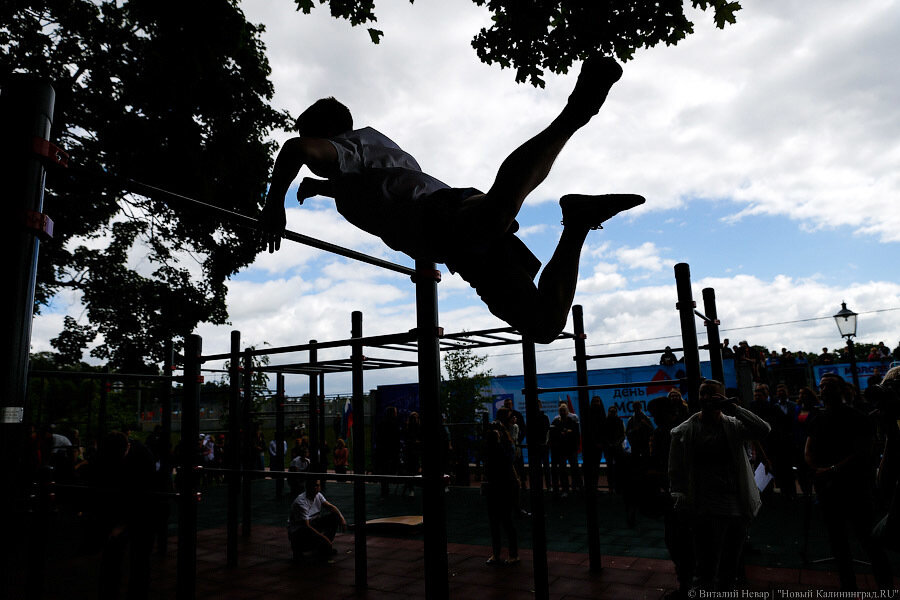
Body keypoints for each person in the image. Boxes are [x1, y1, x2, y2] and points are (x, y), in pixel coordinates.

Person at [260, 55, 644, 344]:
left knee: (494, 214)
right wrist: (321, 188)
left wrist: (273, 205)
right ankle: (576, 222)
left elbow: (295, 149)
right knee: (543, 325)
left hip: (440, 218)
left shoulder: (348, 146)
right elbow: (373, 189)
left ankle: (576, 113)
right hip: (454, 238)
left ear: (326, 133)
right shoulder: (366, 159)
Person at [668, 379, 771, 592]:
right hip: (703, 505)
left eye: (711, 394)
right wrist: (681, 500)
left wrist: (734, 408)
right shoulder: (684, 431)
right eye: (702, 393)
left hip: (735, 504)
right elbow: (675, 469)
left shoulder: (733, 425)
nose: (705, 398)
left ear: (722, 397)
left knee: (731, 562)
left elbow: (763, 429)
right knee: (706, 562)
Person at [805, 373, 893, 591]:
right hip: (828, 489)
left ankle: (885, 587)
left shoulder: (857, 417)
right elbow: (808, 446)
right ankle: (848, 588)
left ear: (841, 389)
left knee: (868, 539)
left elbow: (863, 451)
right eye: (822, 385)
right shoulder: (818, 418)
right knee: (838, 543)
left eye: (829, 385)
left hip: (854, 487)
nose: (823, 389)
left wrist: (832, 469)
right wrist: (816, 468)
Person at [483, 407, 520, 565]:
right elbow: (508, 457)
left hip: (502, 482)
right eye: (511, 417)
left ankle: (509, 554)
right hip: (498, 482)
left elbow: (509, 458)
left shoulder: (505, 437)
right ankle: (499, 554)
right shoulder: (501, 436)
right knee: (497, 521)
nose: (514, 420)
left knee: (504, 520)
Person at [287, 479, 347, 561]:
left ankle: (323, 548)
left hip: (312, 524)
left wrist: (341, 518)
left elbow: (331, 507)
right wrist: (325, 539)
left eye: (318, 485)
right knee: (309, 532)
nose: (317, 487)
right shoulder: (301, 502)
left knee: (334, 517)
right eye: (315, 485)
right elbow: (307, 526)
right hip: (299, 530)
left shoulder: (318, 495)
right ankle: (299, 549)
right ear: (308, 487)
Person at [549, 402, 581, 498]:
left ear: (567, 411)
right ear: (559, 412)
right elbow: (553, 435)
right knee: (563, 470)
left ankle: (576, 487)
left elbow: (576, 434)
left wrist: (567, 433)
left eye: (564, 410)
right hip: (561, 450)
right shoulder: (556, 421)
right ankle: (565, 489)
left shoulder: (572, 421)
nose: (563, 412)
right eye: (561, 410)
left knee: (574, 469)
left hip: (571, 449)